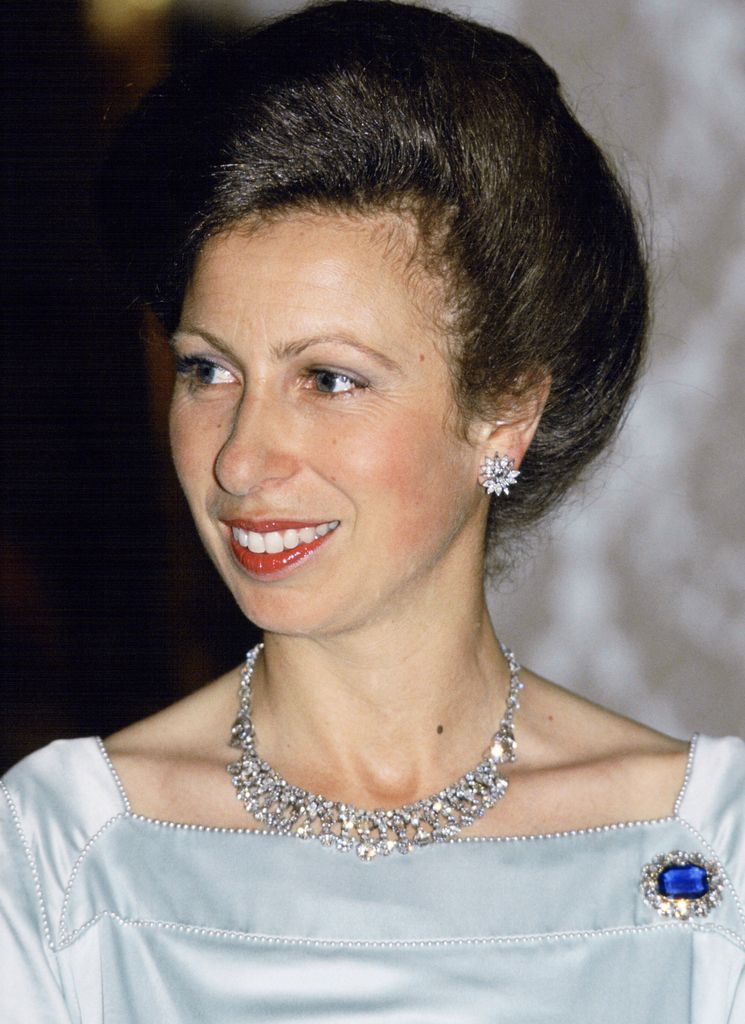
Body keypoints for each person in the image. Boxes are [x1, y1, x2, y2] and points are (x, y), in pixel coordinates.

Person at [2, 1, 743, 1019]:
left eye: (329, 379)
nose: (242, 458)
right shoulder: (60, 855)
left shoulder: (709, 847)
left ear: (505, 410)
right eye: (209, 370)